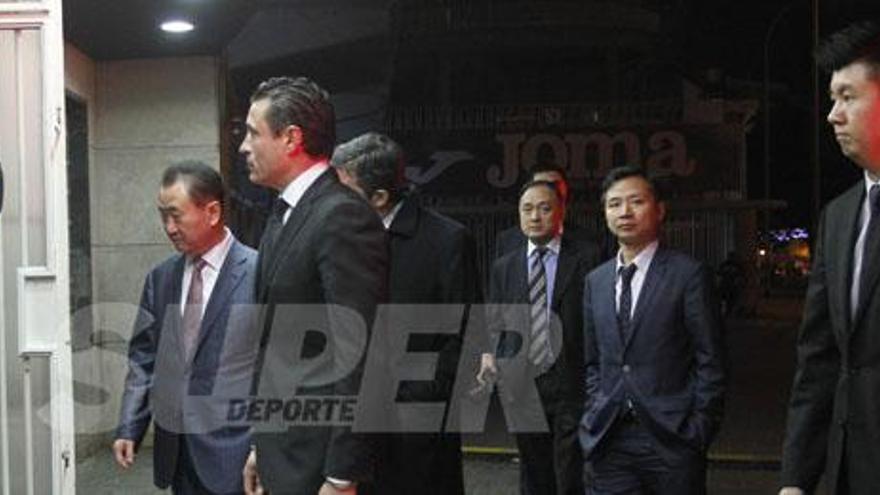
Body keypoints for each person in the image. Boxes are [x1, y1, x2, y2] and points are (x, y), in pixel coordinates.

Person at [238, 77, 388, 495]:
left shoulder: (342, 216)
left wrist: (342, 476)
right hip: (284, 453)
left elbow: (362, 352)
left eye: (253, 133)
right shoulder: (283, 214)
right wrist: (260, 445)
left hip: (321, 467)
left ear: (291, 138)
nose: (243, 147)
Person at [332, 131, 481, 495]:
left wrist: (418, 397)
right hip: (351, 423)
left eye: (344, 192)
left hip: (417, 429)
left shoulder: (446, 240)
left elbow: (465, 334)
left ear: (380, 197)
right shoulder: (339, 237)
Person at [579, 165, 726, 495]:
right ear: (604, 213)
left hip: (672, 438)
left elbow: (711, 359)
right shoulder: (596, 281)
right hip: (608, 437)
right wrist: (593, 411)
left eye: (636, 202)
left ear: (659, 210)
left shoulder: (688, 275)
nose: (624, 212)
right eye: (614, 204)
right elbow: (593, 361)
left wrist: (698, 428)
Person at [113, 161, 258, 494]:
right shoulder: (161, 278)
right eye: (162, 215)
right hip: (177, 453)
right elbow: (144, 360)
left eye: (176, 215)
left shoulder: (258, 273)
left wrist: (262, 448)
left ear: (212, 211)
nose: (169, 227)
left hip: (235, 455)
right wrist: (129, 426)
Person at [780, 20, 880, 495]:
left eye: (847, 96)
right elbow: (819, 358)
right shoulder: (839, 217)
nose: (832, 115)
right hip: (848, 471)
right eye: (831, 99)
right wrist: (796, 480)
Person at [478, 179, 601, 495]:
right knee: (533, 469)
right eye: (527, 209)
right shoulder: (505, 266)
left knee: (570, 467)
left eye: (545, 208)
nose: (535, 216)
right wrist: (491, 355)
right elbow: (495, 318)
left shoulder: (587, 258)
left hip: (571, 379)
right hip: (522, 381)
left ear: (561, 211)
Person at [494, 163, 591, 259]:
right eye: (540, 184)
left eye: (554, 185)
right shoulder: (507, 241)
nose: (546, 190)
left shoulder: (588, 241)